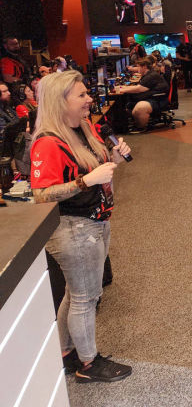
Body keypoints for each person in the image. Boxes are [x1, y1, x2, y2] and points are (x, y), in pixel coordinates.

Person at [30, 70, 132, 383]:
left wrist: (114, 157)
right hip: (73, 228)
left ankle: (65, 352)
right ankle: (88, 364)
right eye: (82, 95)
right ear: (60, 101)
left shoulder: (83, 129)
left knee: (77, 294)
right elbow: (41, 193)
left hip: (95, 221)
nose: (89, 99)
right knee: (86, 298)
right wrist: (86, 181)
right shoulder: (48, 143)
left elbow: (97, 169)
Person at [115, 57, 168, 130]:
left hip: (158, 99)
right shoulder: (149, 74)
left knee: (139, 108)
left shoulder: (151, 76)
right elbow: (139, 87)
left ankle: (140, 127)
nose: (137, 69)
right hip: (154, 97)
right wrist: (122, 88)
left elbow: (139, 89)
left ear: (144, 67)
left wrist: (121, 90)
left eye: (138, 67)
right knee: (128, 103)